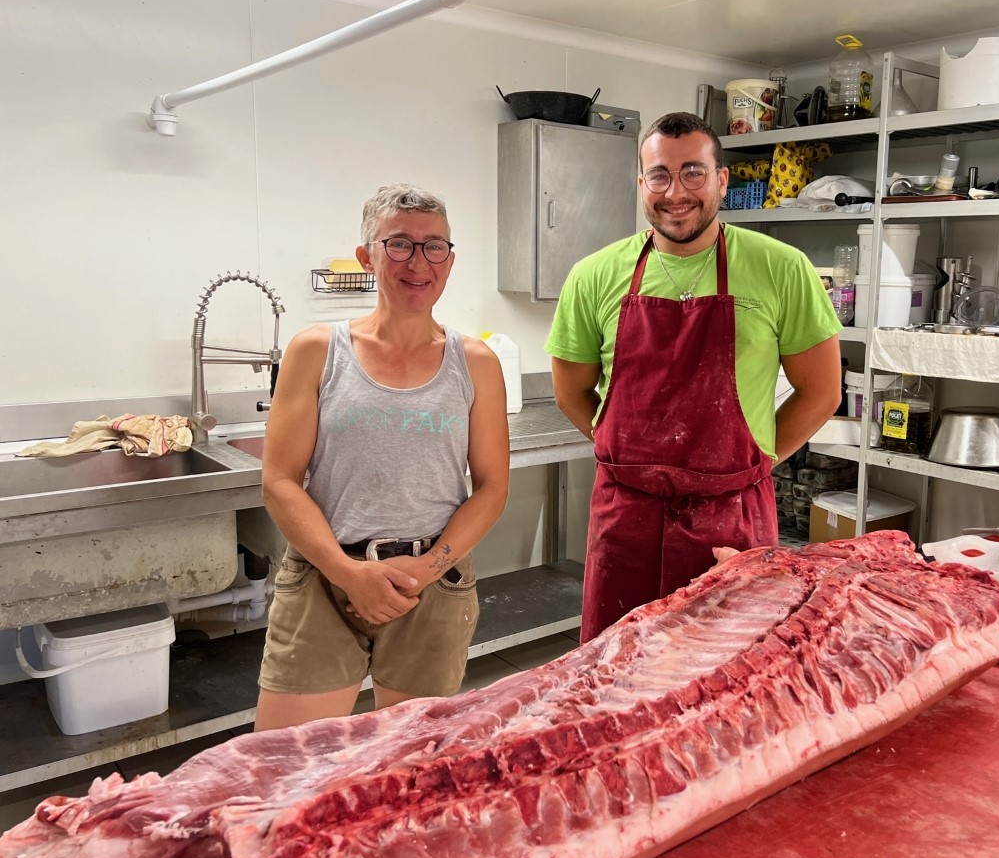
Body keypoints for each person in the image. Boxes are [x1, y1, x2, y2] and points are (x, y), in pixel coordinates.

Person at [545, 112, 842, 642]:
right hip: (626, 518)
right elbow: (570, 391)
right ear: (641, 184)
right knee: (614, 675)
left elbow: (821, 392)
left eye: (693, 173)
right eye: (659, 175)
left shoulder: (782, 267)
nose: (675, 192)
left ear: (721, 179)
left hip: (732, 516)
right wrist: (623, 455)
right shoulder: (593, 275)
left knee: (726, 676)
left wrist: (757, 459)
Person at [254, 183, 510, 731]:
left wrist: (428, 567)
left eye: (433, 246)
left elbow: (490, 488)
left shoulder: (476, 363)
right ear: (368, 257)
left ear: (450, 260)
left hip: (432, 585)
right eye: (399, 244)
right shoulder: (317, 351)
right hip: (324, 577)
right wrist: (347, 573)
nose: (418, 262)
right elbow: (279, 480)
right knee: (286, 767)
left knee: (410, 769)